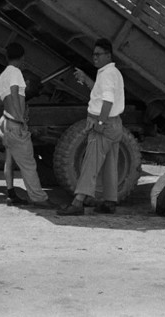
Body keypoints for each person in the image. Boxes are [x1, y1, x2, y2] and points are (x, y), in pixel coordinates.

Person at [58, 38, 125, 216]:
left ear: (108, 55)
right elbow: (101, 93)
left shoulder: (107, 75)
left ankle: (77, 202)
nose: (94, 58)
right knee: (110, 164)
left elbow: (108, 100)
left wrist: (100, 123)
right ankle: (110, 202)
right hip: (115, 123)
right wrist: (86, 80)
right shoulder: (113, 73)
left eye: (98, 54)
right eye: (93, 54)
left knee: (90, 163)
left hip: (104, 123)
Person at [0, 43, 57, 209]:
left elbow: (8, 97)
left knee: (9, 161)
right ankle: (39, 198)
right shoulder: (16, 72)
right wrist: (20, 119)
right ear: (22, 58)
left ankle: (11, 194)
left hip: (5, 121)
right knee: (29, 164)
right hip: (14, 123)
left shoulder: (3, 75)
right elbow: (15, 94)